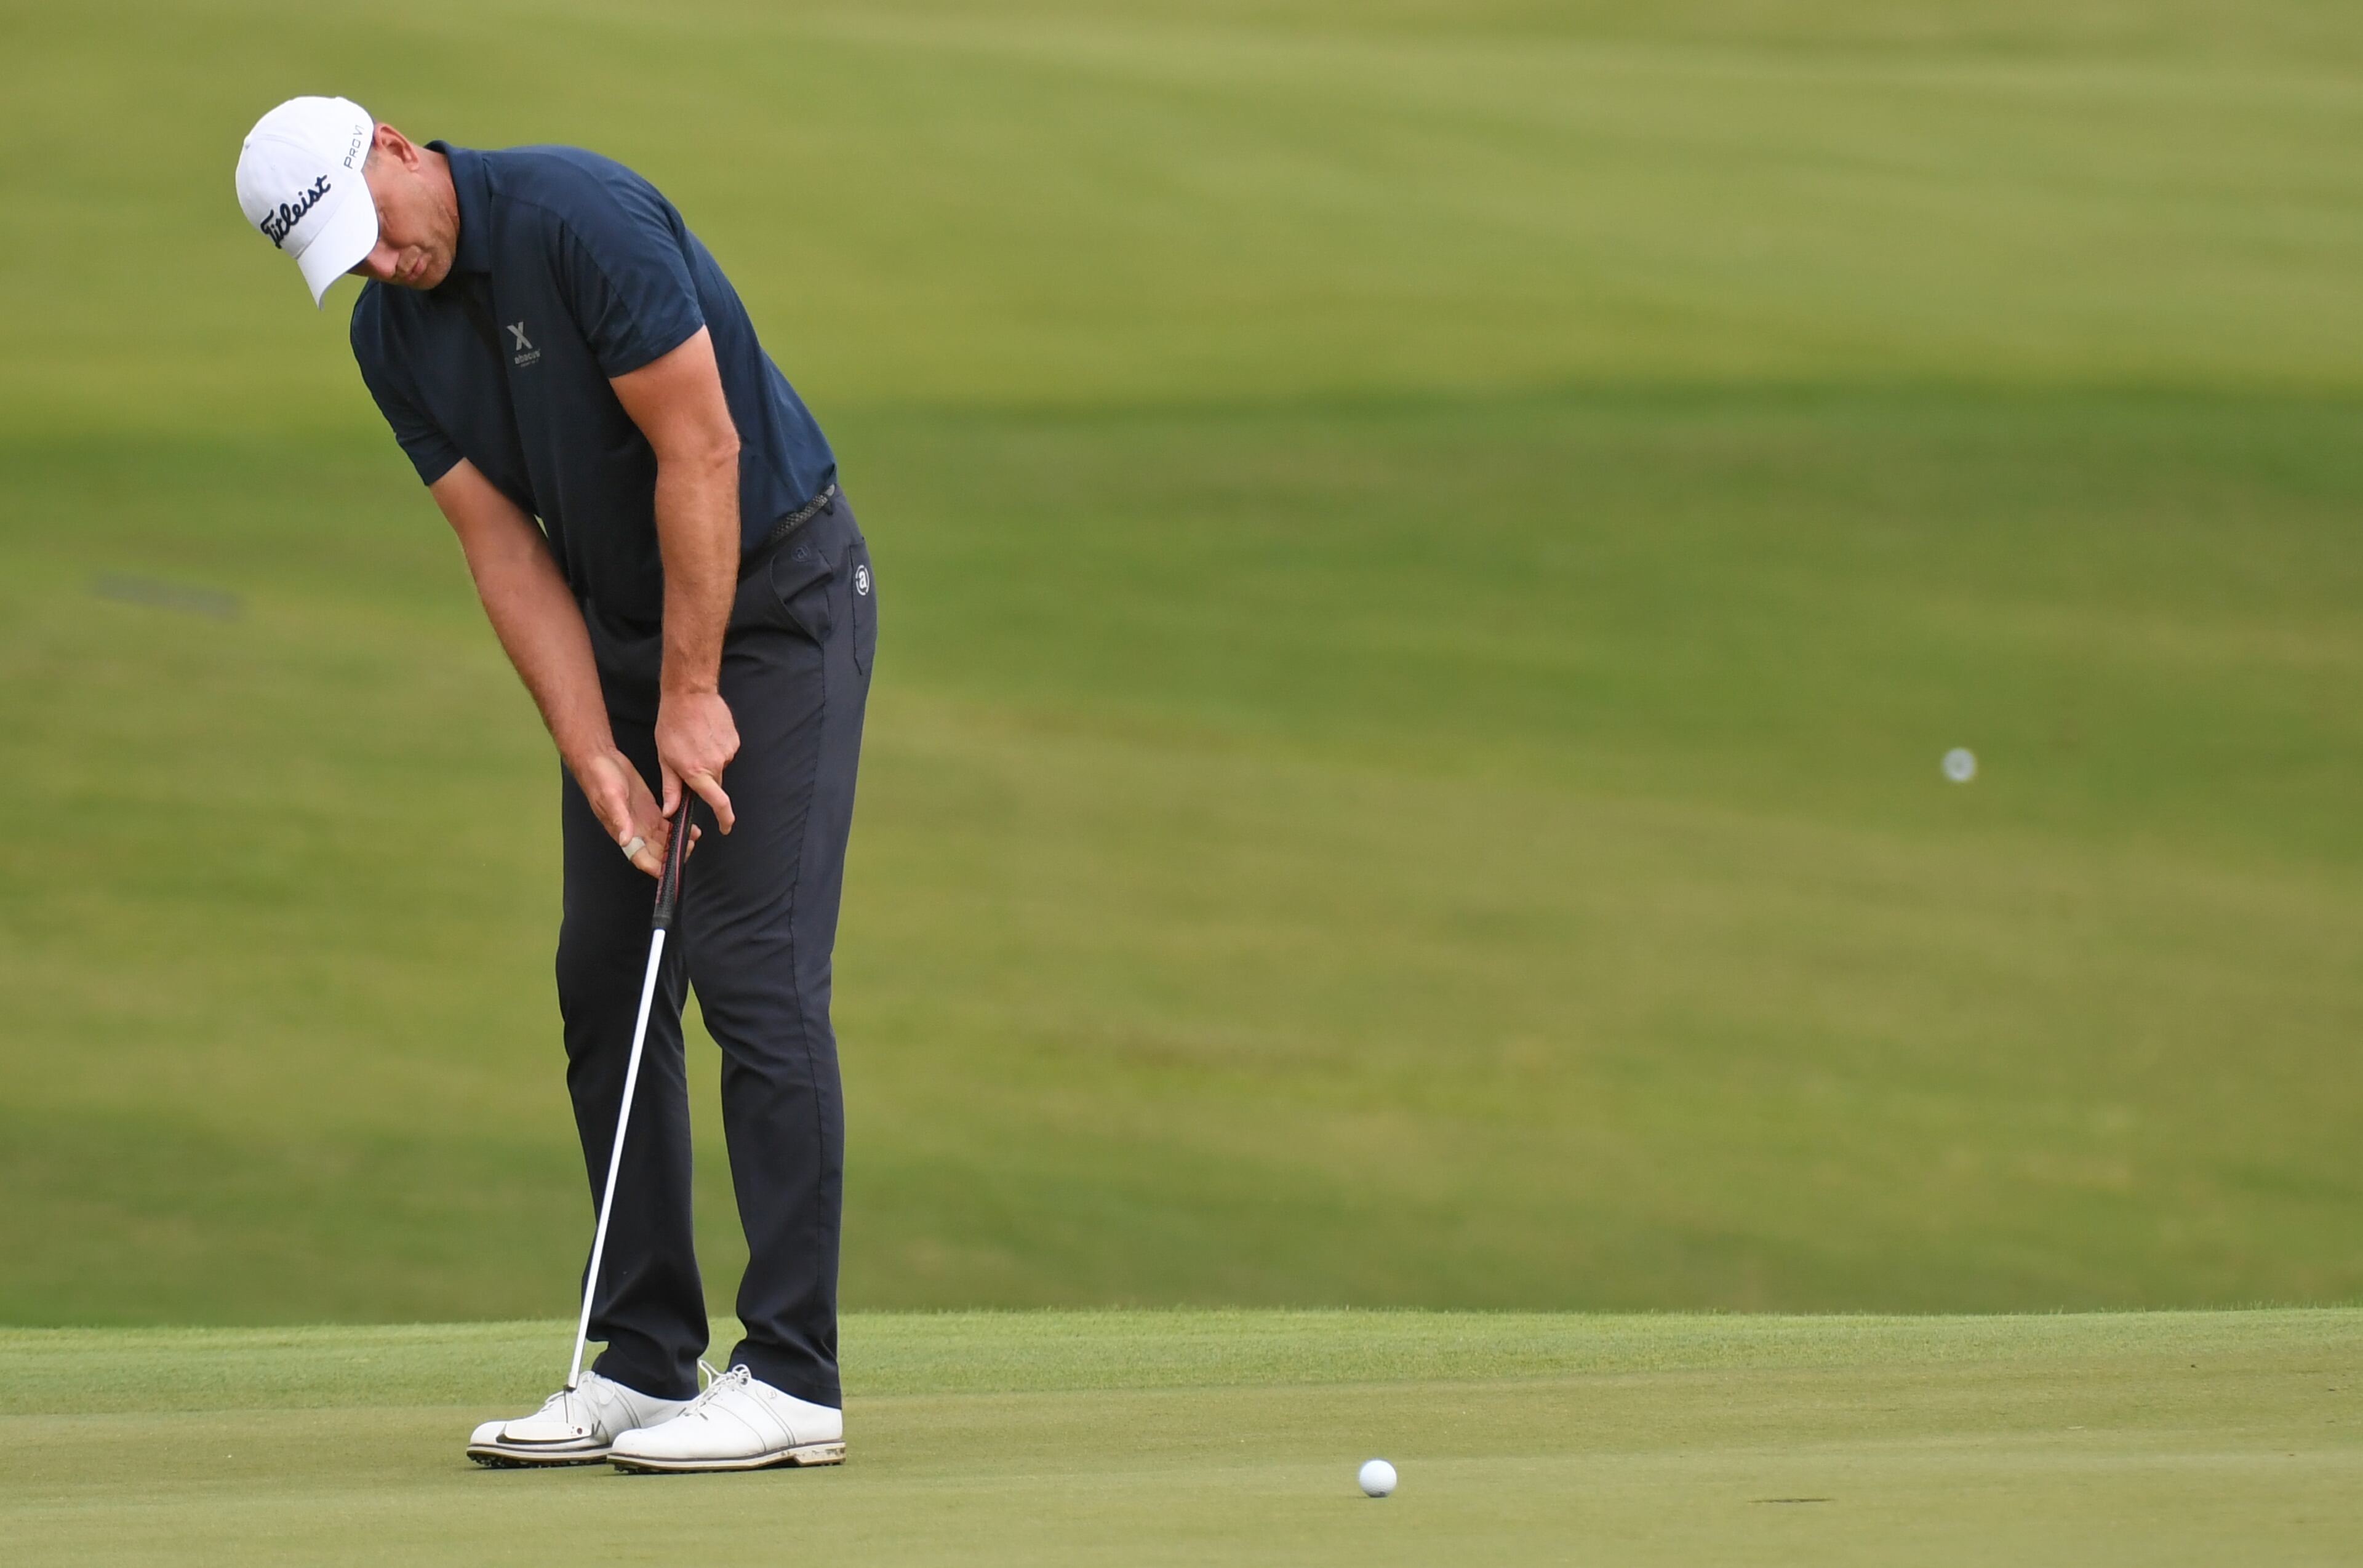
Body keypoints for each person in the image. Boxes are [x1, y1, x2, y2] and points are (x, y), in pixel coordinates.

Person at [234, 96, 875, 1473]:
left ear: (396, 148)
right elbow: (505, 551)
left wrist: (693, 696)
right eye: (341, 258)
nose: (375, 264)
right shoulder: (387, 337)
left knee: (751, 970)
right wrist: (596, 745)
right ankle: (647, 1359)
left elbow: (703, 451)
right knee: (608, 978)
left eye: (372, 231)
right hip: (636, 640)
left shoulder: (579, 217)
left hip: (775, 604)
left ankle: (796, 1375)